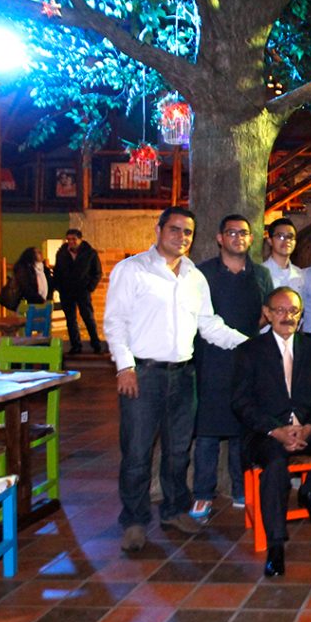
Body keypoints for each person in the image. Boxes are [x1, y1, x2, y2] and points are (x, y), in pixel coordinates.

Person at [105, 207, 248, 553]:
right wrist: (125, 367)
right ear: (158, 229)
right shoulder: (132, 270)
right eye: (175, 229)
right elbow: (115, 323)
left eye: (187, 232)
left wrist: (252, 345)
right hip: (143, 375)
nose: (181, 237)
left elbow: (209, 325)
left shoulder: (194, 276)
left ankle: (173, 511)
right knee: (138, 452)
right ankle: (135, 521)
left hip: (184, 375)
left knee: (178, 450)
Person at [231, 287, 311, 577]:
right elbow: (241, 402)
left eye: (294, 311)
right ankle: (275, 546)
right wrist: (276, 430)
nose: (287, 316)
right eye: (280, 311)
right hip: (266, 434)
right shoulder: (249, 351)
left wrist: (310, 427)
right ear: (268, 313)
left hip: (306, 428)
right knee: (274, 466)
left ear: (301, 314)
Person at [192, 215, 273, 521]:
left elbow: (267, 312)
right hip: (211, 361)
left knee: (244, 429)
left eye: (244, 233)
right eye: (231, 232)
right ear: (219, 238)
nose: (238, 237)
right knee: (208, 434)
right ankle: (202, 494)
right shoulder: (203, 274)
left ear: (251, 239)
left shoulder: (261, 274)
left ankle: (242, 490)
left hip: (248, 362)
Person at [53, 229, 103, 354]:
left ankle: (96, 343)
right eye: (68, 239)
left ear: (80, 239)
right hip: (66, 290)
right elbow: (57, 271)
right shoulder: (62, 254)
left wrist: (90, 287)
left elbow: (97, 272)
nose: (71, 242)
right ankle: (75, 345)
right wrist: (59, 287)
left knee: (88, 317)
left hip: (82, 290)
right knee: (70, 319)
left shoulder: (90, 253)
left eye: (74, 239)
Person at [263, 217, 304, 290]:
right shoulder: (261, 274)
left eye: (290, 237)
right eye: (280, 236)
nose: (287, 240)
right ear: (270, 241)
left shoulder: (300, 274)